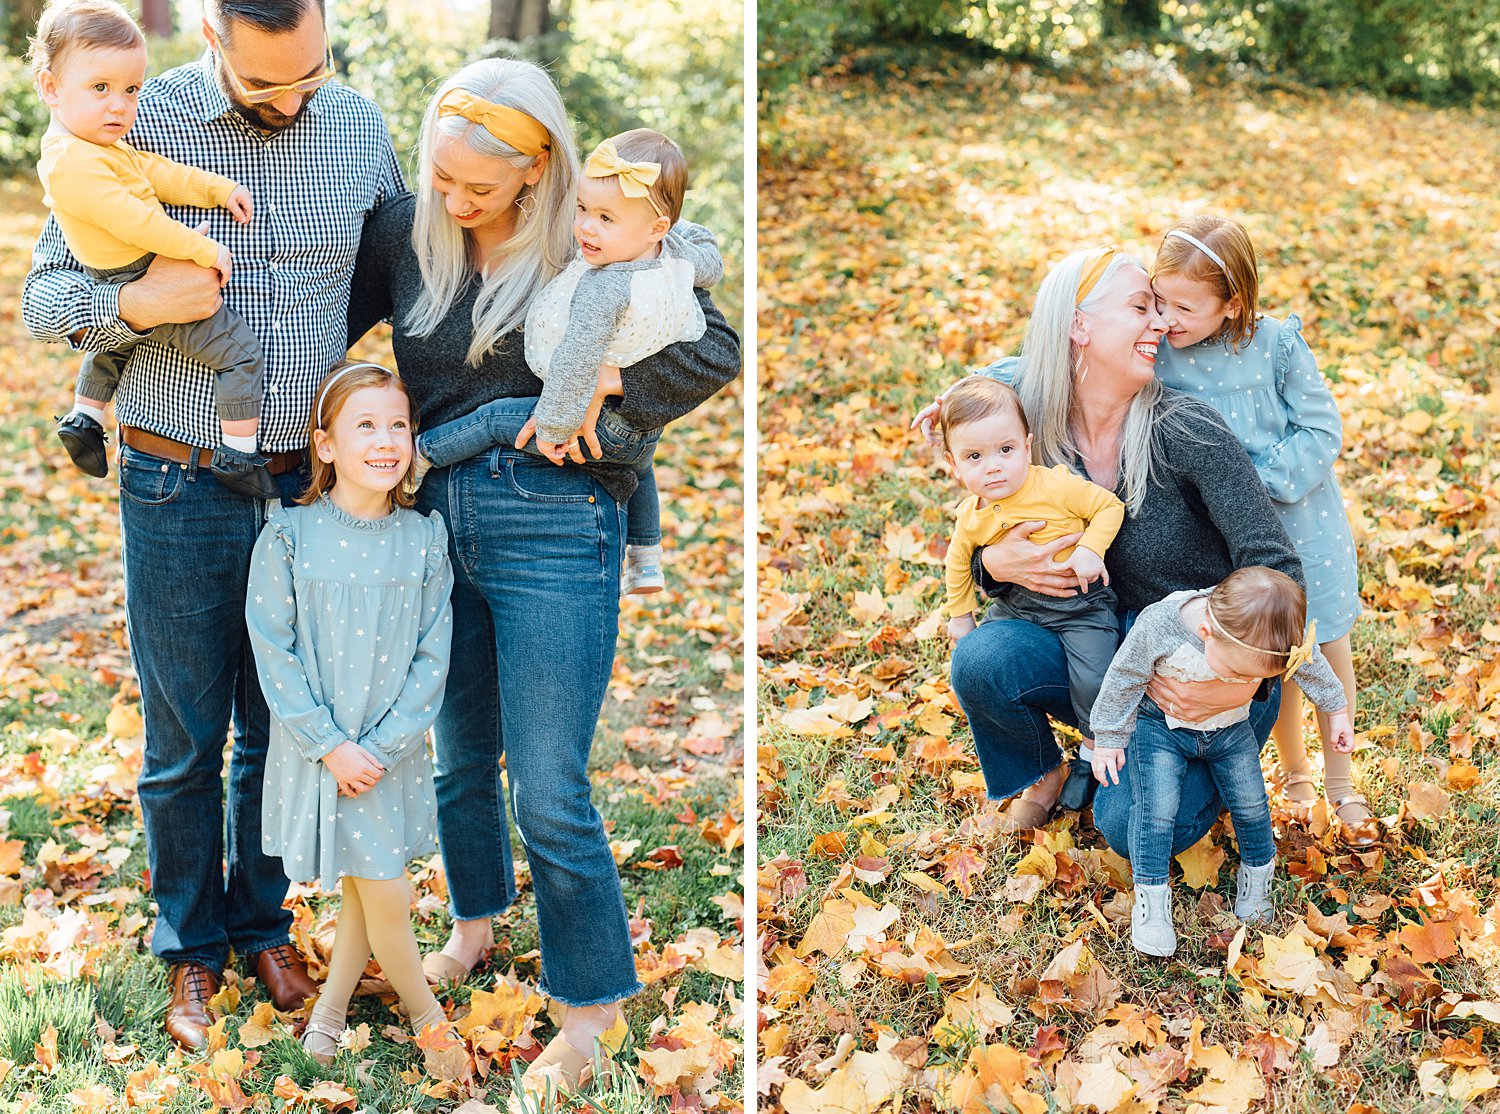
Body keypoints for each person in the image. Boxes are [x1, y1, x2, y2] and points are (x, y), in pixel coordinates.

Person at [345, 58, 740, 1108]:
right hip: (430, 516)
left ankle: (591, 1007)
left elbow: (717, 345)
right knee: (461, 756)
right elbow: (328, 339)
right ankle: (475, 926)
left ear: (538, 171)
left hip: (555, 516)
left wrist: (613, 403)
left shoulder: (593, 230)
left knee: (551, 781)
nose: (455, 200)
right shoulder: (402, 232)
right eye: (442, 177)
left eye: (480, 187)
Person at [21, 0, 403, 1051]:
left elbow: (412, 285)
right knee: (187, 735)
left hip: (302, 489)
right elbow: (46, 299)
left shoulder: (362, 128)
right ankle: (189, 947)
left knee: (283, 727)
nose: (290, 99)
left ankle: (263, 924)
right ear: (210, 40)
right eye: (263, 82)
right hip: (175, 480)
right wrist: (137, 308)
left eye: (308, 76)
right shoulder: (135, 117)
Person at [914, 244, 1303, 854]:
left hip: (1200, 674)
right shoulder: (1030, 432)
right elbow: (979, 529)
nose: (1161, 324)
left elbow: (1277, 567)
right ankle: (1049, 771)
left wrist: (1236, 681)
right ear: (1079, 325)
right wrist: (990, 567)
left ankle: (1203, 766)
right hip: (1100, 651)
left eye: (1161, 309)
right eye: (1141, 307)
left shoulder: (1187, 430)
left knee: (1132, 828)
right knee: (984, 660)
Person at [247, 362, 454, 1062]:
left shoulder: (424, 539)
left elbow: (433, 656)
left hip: (388, 749)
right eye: (365, 425)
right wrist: (331, 744)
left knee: (375, 886)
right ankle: (432, 1025)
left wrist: (385, 745)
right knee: (381, 887)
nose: (386, 440)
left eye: (398, 425)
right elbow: (273, 650)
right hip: (325, 745)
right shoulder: (288, 537)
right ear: (326, 445)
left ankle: (334, 1013)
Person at [414, 127, 722, 596]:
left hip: (588, 423)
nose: (586, 229)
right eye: (582, 210)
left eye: (605, 218)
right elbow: (707, 257)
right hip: (637, 431)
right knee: (641, 466)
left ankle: (423, 455)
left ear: (656, 227)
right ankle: (647, 557)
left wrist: (555, 427)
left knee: (498, 419)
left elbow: (577, 359)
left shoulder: (604, 286)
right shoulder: (674, 256)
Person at [1151, 214, 1371, 846]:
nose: (1166, 317)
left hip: (1303, 519)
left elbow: (1321, 428)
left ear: (1234, 303)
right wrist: (987, 386)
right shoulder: (1162, 347)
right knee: (1265, 647)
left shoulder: (1275, 343)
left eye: (1185, 306)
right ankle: (1294, 769)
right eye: (1160, 300)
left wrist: (1261, 483)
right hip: (1229, 535)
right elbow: (1066, 354)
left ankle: (1341, 777)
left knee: (1322, 642)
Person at [28, 0, 274, 499]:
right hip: (136, 268)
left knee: (117, 342)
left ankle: (85, 418)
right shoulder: (72, 164)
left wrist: (216, 190)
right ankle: (238, 456)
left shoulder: (98, 145)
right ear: (51, 87)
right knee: (240, 354)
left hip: (116, 273)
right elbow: (137, 221)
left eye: (131, 89)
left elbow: (157, 173)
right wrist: (202, 249)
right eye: (101, 88)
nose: (120, 105)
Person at [1088, 566, 1352, 955]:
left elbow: (1308, 661)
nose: (1236, 681)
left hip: (1230, 729)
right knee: (1154, 809)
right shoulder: (1161, 624)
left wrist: (1337, 711)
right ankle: (1152, 901)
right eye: (1235, 672)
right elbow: (1124, 676)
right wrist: (1109, 736)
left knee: (1251, 803)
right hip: (1162, 729)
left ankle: (1258, 879)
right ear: (1207, 633)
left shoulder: (1264, 632)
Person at [940, 375, 1124, 752]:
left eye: (1005, 450)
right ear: (953, 465)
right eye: (974, 457)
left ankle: (1094, 748)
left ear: (1027, 447)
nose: (993, 467)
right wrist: (961, 615)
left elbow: (1108, 506)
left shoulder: (1053, 486)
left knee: (1095, 679)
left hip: (1079, 606)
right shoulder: (970, 515)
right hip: (1016, 606)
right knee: (977, 667)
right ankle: (1034, 762)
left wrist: (1091, 548)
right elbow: (958, 562)